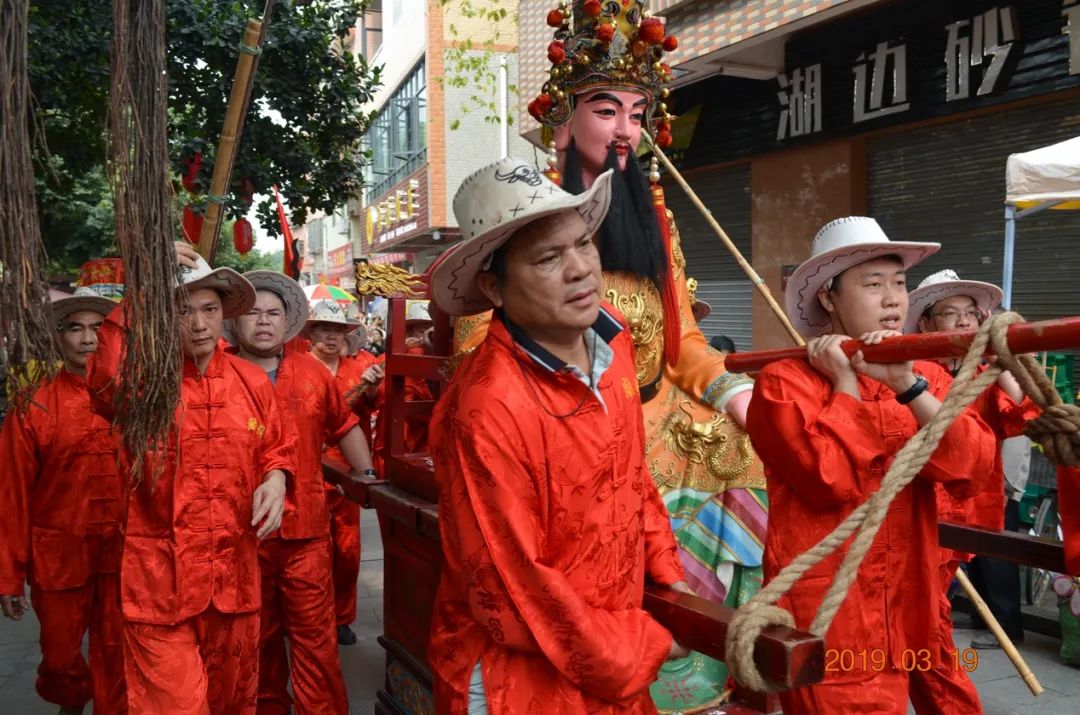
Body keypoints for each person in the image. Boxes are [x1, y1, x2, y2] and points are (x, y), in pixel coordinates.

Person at [427, 156, 690, 714]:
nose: (580, 270)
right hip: (519, 676)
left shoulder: (614, 348)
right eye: (549, 257)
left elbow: (632, 475)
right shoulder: (486, 406)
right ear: (494, 288)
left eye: (583, 244)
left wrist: (669, 576)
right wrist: (640, 645)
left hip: (610, 645)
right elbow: (512, 586)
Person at [746, 217, 997, 713]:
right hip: (831, 608)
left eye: (899, 284)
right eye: (872, 284)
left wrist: (906, 385)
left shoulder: (922, 371)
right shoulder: (783, 381)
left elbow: (972, 467)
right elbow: (828, 481)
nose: (892, 299)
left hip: (914, 591)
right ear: (828, 298)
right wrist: (844, 384)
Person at [87, 243, 296, 714]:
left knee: (231, 703)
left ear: (224, 313)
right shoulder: (145, 383)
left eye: (210, 309)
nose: (199, 325)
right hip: (159, 585)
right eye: (183, 311)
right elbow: (102, 382)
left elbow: (278, 447)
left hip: (234, 580)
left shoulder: (250, 381)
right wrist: (142, 293)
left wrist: (277, 478)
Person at [227, 271, 376, 714]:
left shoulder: (311, 372)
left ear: (288, 319)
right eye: (253, 313)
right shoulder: (216, 374)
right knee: (258, 638)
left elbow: (343, 425)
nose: (263, 321)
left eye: (274, 312)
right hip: (241, 533)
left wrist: (367, 477)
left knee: (315, 638)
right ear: (235, 320)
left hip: (307, 531)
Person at [0, 288, 127, 715]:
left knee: (118, 654)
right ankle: (70, 704)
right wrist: (8, 577)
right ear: (59, 339)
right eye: (76, 328)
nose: (88, 338)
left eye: (98, 328)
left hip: (124, 556)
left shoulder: (132, 399)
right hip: (58, 558)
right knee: (59, 656)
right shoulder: (33, 403)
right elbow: (12, 493)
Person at [906, 269, 1040, 651]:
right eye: (951, 312)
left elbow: (1022, 410)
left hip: (974, 502)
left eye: (970, 312)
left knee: (937, 600)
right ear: (927, 322)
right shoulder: (910, 371)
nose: (964, 320)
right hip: (925, 504)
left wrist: (1000, 358)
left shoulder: (985, 371)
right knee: (924, 600)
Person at [306, 299, 379, 645]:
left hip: (348, 472)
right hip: (310, 472)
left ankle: (342, 617)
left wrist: (374, 386)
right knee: (312, 553)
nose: (332, 337)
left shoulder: (359, 366)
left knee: (347, 552)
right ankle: (310, 616)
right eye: (324, 329)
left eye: (338, 330)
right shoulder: (299, 368)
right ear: (311, 333)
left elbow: (377, 404)